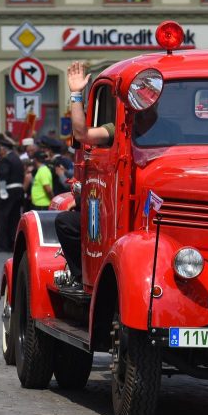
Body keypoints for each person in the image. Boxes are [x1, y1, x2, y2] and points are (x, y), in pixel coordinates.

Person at [55, 61, 115, 288]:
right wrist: (76, 94)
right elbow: (82, 133)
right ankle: (83, 277)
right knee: (65, 222)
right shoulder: (116, 128)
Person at [0, 133, 24, 252]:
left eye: (0, 149)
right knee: (14, 218)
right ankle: (13, 244)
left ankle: (2, 244)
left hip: (9, 191)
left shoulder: (6, 160)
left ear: (4, 149)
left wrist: (2, 191)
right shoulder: (17, 158)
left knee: (0, 217)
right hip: (18, 191)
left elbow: (3, 177)